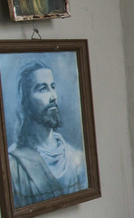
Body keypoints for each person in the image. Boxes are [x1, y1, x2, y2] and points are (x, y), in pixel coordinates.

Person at [7, 61, 87, 207]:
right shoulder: (13, 165)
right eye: (43, 89)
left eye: (53, 87)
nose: (53, 97)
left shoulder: (76, 159)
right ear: (26, 101)